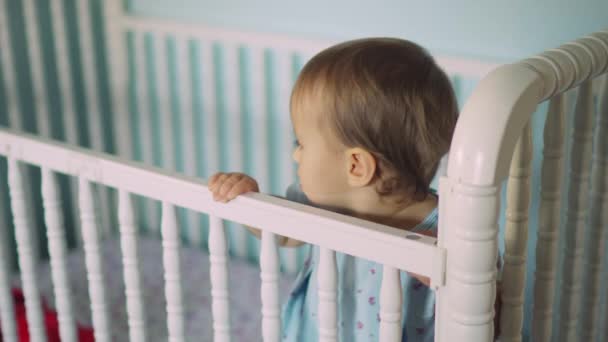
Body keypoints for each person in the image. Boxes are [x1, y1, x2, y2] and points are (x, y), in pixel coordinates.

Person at [209, 37, 458, 341]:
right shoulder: (323, 204)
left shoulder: (452, 233)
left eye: (301, 143)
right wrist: (249, 199)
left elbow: (485, 313)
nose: (295, 155)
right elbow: (282, 233)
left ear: (356, 166)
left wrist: (454, 284)